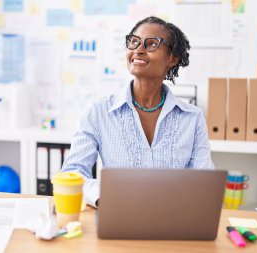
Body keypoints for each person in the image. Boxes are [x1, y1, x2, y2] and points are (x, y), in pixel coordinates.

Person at [61, 16, 214, 208]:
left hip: (173, 221)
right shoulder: (99, 112)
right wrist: (104, 195)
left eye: (151, 44)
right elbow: (71, 173)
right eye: (134, 42)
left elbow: (204, 182)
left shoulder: (193, 118)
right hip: (118, 217)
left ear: (172, 58)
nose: (138, 50)